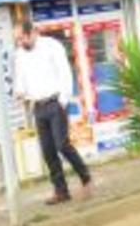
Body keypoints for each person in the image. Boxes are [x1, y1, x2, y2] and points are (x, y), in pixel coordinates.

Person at [14, 21, 92, 205]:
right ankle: (61, 191)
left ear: (32, 33)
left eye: (21, 38)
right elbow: (20, 77)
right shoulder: (20, 54)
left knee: (62, 145)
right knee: (48, 151)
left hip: (55, 103)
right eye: (17, 40)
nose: (19, 43)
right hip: (38, 106)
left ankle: (85, 177)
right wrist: (20, 92)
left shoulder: (52, 46)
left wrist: (63, 101)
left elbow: (65, 73)